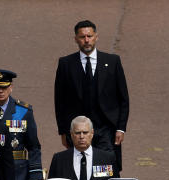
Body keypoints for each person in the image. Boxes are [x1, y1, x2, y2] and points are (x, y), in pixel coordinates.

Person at [53, 20, 129, 164]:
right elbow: (60, 100)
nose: (86, 40)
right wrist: (63, 131)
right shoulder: (66, 64)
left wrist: (121, 128)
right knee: (79, 168)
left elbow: (123, 98)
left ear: (96, 37)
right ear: (76, 39)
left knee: (109, 170)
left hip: (107, 129)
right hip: (78, 131)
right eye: (82, 37)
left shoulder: (112, 62)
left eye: (89, 36)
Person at [48, 117, 117, 180]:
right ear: (71, 135)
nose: (81, 136)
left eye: (85, 132)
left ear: (92, 133)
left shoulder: (107, 159)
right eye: (77, 133)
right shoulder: (59, 159)